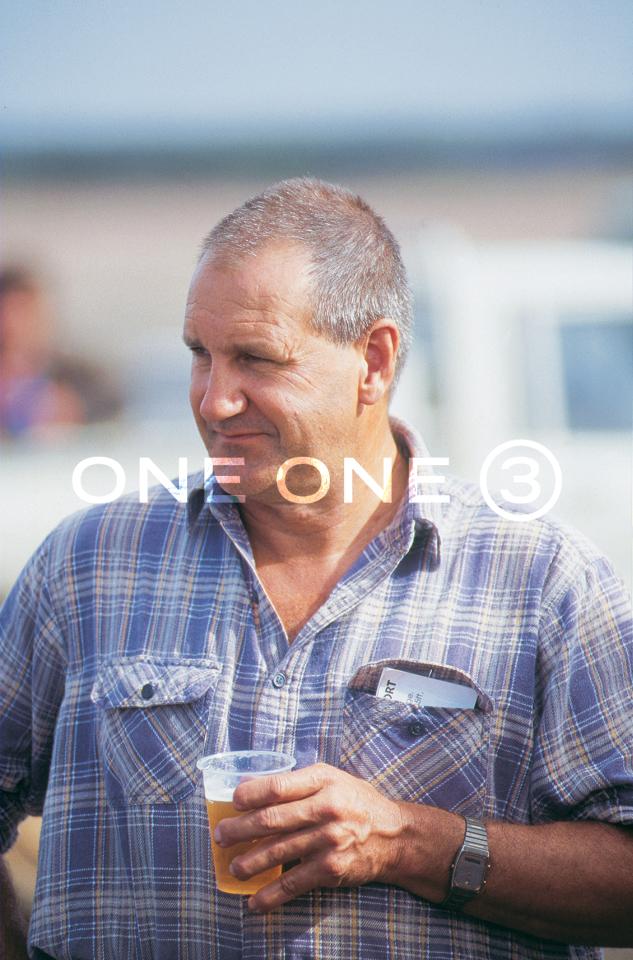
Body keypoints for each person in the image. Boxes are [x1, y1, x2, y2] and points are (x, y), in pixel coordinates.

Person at [0, 178, 631, 960]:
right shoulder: (88, 567)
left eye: (255, 359)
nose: (214, 400)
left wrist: (408, 842)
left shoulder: (543, 583)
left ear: (374, 360)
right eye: (200, 355)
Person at [0, 266, 121, 440]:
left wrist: (76, 409)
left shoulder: (84, 375)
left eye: (27, 310)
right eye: (12, 311)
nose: (20, 323)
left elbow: (113, 409)